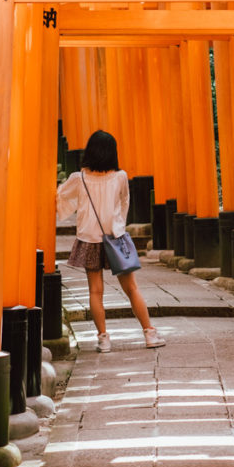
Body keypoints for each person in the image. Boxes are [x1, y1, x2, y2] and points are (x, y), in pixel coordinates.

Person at [56, 130, 166, 352]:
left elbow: (59, 196)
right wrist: (118, 226)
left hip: (89, 239)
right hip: (115, 238)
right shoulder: (120, 177)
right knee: (132, 288)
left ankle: (103, 339)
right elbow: (124, 203)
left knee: (95, 291)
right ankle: (149, 333)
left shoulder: (80, 178)